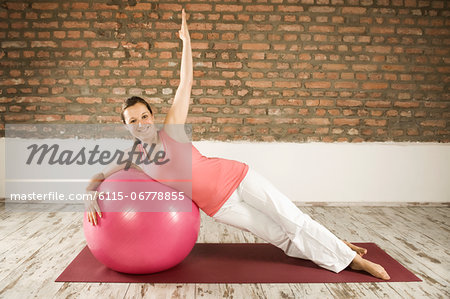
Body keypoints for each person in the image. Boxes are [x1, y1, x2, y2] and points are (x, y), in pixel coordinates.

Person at [85, 9, 390, 280]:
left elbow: (185, 82)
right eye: (133, 120)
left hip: (238, 178)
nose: (141, 123)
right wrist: (89, 195)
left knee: (291, 219)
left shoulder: (172, 129)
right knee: (278, 237)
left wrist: (186, 42)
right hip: (220, 207)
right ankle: (335, 246)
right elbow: (100, 176)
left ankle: (351, 260)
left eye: (144, 115)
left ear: (152, 116)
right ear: (126, 126)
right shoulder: (136, 157)